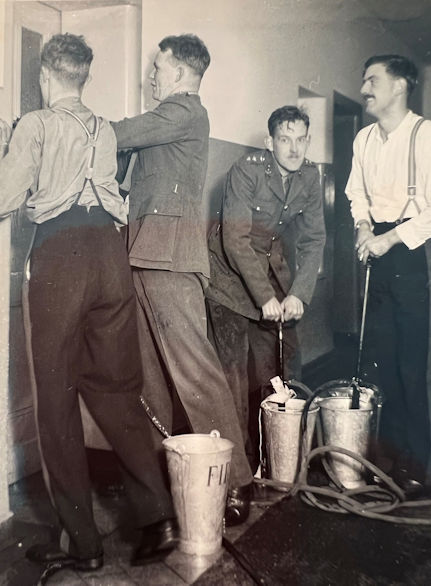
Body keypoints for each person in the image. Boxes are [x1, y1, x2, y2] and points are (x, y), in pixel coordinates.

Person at [0, 33, 179, 575]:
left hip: (60, 258)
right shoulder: (104, 129)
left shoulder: (34, 125)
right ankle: (159, 518)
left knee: (56, 400)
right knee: (117, 390)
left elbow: (6, 198)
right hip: (109, 255)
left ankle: (83, 544)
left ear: (45, 76)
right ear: (83, 78)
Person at [111, 34, 253, 525]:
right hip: (144, 255)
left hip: (170, 260)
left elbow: (122, 133)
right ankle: (164, 481)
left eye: (158, 67)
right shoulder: (169, 119)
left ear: (178, 72)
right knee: (149, 380)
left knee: (195, 373)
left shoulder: (185, 110)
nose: (152, 75)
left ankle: (235, 481)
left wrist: (66, 124)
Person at [346, 54, 431, 494]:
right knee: (383, 360)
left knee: (418, 364)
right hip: (380, 251)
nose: (364, 89)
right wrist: (363, 227)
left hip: (418, 251)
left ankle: (426, 469)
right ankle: (392, 458)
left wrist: (389, 239)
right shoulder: (364, 139)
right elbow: (356, 194)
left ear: (401, 85)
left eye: (373, 80)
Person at [206, 106, 326, 470]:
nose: (294, 148)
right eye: (285, 140)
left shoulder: (309, 176)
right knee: (233, 373)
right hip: (228, 276)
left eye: (301, 139)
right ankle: (239, 468)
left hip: (270, 271)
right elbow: (236, 240)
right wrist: (266, 297)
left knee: (283, 360)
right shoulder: (246, 170)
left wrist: (298, 293)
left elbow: (313, 239)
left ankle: (280, 454)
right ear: (269, 142)